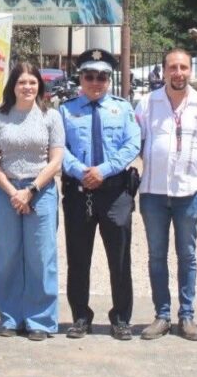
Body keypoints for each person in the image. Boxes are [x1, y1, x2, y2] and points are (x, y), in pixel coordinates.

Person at [134, 49, 197, 341]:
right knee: (156, 256)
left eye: (183, 67)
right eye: (173, 67)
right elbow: (137, 142)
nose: (178, 73)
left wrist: (192, 169)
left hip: (189, 193)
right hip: (153, 194)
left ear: (190, 71)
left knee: (187, 256)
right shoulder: (147, 103)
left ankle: (187, 316)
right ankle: (162, 316)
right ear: (164, 71)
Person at [60, 48, 141, 340]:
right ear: (80, 78)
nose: (96, 82)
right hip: (79, 191)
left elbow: (133, 144)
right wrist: (81, 170)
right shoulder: (65, 110)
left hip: (115, 192)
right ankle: (81, 317)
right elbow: (58, 147)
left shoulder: (123, 108)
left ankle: (121, 318)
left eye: (102, 77)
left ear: (109, 79)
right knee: (78, 258)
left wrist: (103, 170)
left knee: (119, 259)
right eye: (90, 76)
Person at [0, 62, 64, 340]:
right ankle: (11, 318)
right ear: (13, 86)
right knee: (8, 256)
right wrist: (13, 192)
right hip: (7, 191)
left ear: (39, 86)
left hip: (40, 191)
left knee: (41, 257)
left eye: (32, 82)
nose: (27, 87)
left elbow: (56, 160)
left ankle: (40, 320)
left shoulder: (51, 117)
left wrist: (31, 189)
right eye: (22, 82)